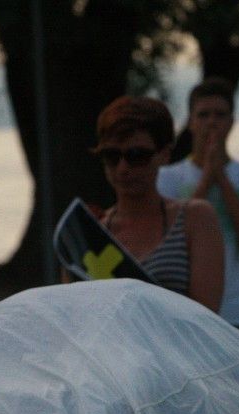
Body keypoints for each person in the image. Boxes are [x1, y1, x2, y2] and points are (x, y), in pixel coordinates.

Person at [157, 77, 239, 342]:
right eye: (203, 115)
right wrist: (208, 178)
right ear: (190, 122)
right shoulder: (168, 178)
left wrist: (222, 177)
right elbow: (173, 241)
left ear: (232, 122)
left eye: (220, 115)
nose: (212, 122)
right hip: (190, 313)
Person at [92, 95, 224, 312]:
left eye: (137, 156)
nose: (123, 168)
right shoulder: (95, 231)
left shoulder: (195, 218)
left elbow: (206, 318)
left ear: (164, 155)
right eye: (111, 156)